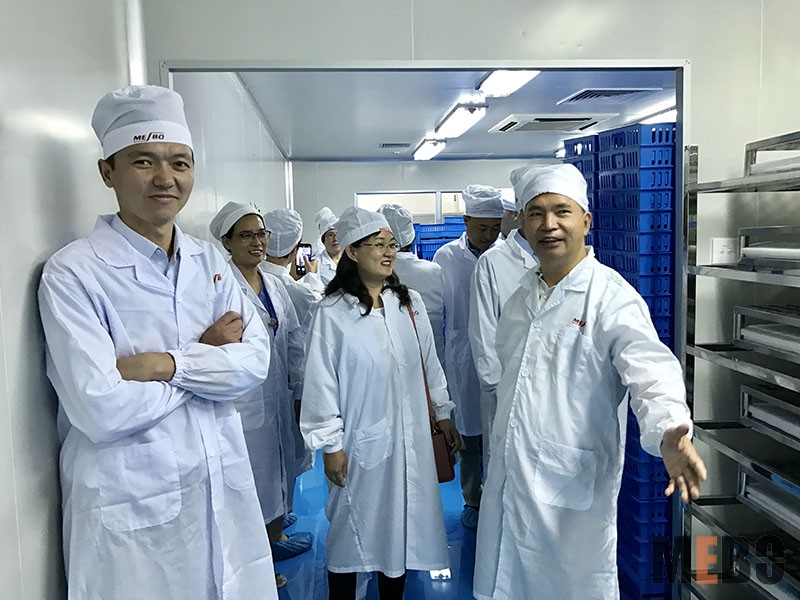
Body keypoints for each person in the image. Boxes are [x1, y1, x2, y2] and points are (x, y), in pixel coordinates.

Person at [38, 85, 278, 600]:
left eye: (179, 162)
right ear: (107, 172)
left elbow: (254, 363)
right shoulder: (73, 273)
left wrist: (162, 365)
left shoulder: (210, 262)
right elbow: (102, 408)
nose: (165, 178)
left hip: (220, 486)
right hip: (132, 504)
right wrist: (206, 356)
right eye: (143, 161)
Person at [473, 164, 707, 600]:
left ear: (585, 220)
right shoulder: (521, 298)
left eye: (561, 211)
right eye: (536, 213)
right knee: (505, 582)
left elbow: (650, 370)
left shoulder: (610, 297)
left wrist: (669, 429)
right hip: (510, 478)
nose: (548, 224)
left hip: (568, 491)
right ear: (522, 224)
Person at [300, 206, 460, 600]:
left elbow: (429, 362)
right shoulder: (332, 312)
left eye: (391, 244)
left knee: (401, 531)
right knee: (350, 533)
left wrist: (443, 412)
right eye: (377, 245)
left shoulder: (409, 303)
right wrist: (330, 445)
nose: (388, 252)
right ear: (352, 252)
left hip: (411, 439)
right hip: (359, 441)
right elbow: (321, 381)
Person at [209, 202, 314, 588]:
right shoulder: (218, 287)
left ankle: (272, 543)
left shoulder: (275, 286)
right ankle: (254, 570)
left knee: (278, 476)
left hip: (278, 398)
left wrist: (300, 390)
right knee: (247, 487)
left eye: (261, 234)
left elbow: (294, 340)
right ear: (227, 242)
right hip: (242, 405)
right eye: (246, 236)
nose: (257, 242)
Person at [432, 184, 503, 530]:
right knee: (469, 435)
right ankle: (473, 499)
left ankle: (500, 500)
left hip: (503, 355)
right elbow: (438, 312)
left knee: (501, 433)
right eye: (482, 227)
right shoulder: (446, 257)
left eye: (495, 228)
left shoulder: (508, 256)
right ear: (466, 221)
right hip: (462, 357)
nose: (489, 236)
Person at [468, 169, 538, 451]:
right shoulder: (493, 263)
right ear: (520, 213)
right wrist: (500, 393)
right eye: (537, 211)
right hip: (506, 395)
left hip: (550, 399)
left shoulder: (565, 262)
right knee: (505, 464)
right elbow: (484, 336)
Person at [377, 203, 445, 362]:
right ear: (412, 237)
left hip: (388, 360)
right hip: (433, 358)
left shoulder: (375, 273)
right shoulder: (434, 271)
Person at [262, 208, 325, 332]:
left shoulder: (249, 276)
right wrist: (312, 277)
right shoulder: (303, 294)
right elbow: (322, 312)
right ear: (295, 248)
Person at [314, 206, 341, 285]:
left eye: (337, 234)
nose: (335, 238)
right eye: (330, 235)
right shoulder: (317, 263)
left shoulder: (351, 259)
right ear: (323, 241)